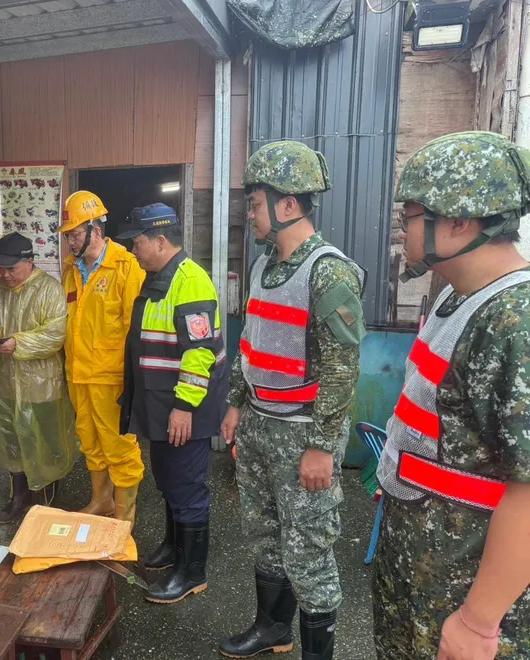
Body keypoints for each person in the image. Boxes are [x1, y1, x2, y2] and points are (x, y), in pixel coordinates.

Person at [373, 131, 530, 660]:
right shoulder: (459, 302)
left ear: (460, 220)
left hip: (460, 595)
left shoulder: (515, 322)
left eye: (411, 217)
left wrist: (479, 621)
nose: (402, 232)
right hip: (424, 574)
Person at [218, 141, 365, 660]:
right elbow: (250, 342)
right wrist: (236, 401)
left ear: (287, 205)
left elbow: (342, 368)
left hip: (304, 432)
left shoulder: (329, 271)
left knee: (308, 552)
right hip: (260, 423)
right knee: (263, 534)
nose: (250, 215)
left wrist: (324, 446)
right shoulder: (263, 266)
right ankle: (272, 627)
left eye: (255, 204)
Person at [117, 203, 227, 605]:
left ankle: (192, 572)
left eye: (139, 242)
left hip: (184, 408)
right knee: (167, 481)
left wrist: (183, 405)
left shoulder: (190, 280)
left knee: (187, 487)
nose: (134, 250)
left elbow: (200, 352)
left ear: (161, 241)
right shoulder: (157, 277)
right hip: (160, 407)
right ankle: (173, 547)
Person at [58, 191, 146, 527]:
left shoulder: (126, 268)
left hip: (112, 379)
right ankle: (101, 501)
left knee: (119, 449)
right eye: (67, 236)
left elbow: (134, 332)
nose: (70, 242)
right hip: (78, 374)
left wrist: (132, 383)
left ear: (96, 230)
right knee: (90, 441)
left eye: (75, 234)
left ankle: (125, 522)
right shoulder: (72, 270)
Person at [0, 233, 77, 524]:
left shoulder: (50, 289)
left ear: (29, 261)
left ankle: (46, 502)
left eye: (11, 269)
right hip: (5, 378)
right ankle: (18, 498)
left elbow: (55, 334)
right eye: (1, 268)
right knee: (12, 439)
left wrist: (17, 343)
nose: (5, 274)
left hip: (42, 383)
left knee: (45, 441)